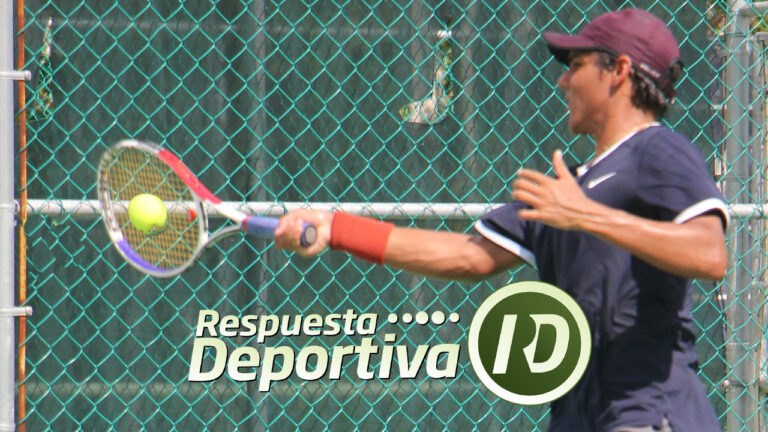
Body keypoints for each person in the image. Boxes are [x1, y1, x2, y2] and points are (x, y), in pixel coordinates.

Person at [275, 9, 727, 432]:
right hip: (582, 414)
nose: (563, 79)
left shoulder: (658, 151)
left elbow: (709, 254)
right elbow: (468, 255)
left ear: (620, 72)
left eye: (576, 64)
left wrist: (587, 215)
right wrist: (339, 228)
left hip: (651, 411)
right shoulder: (567, 187)